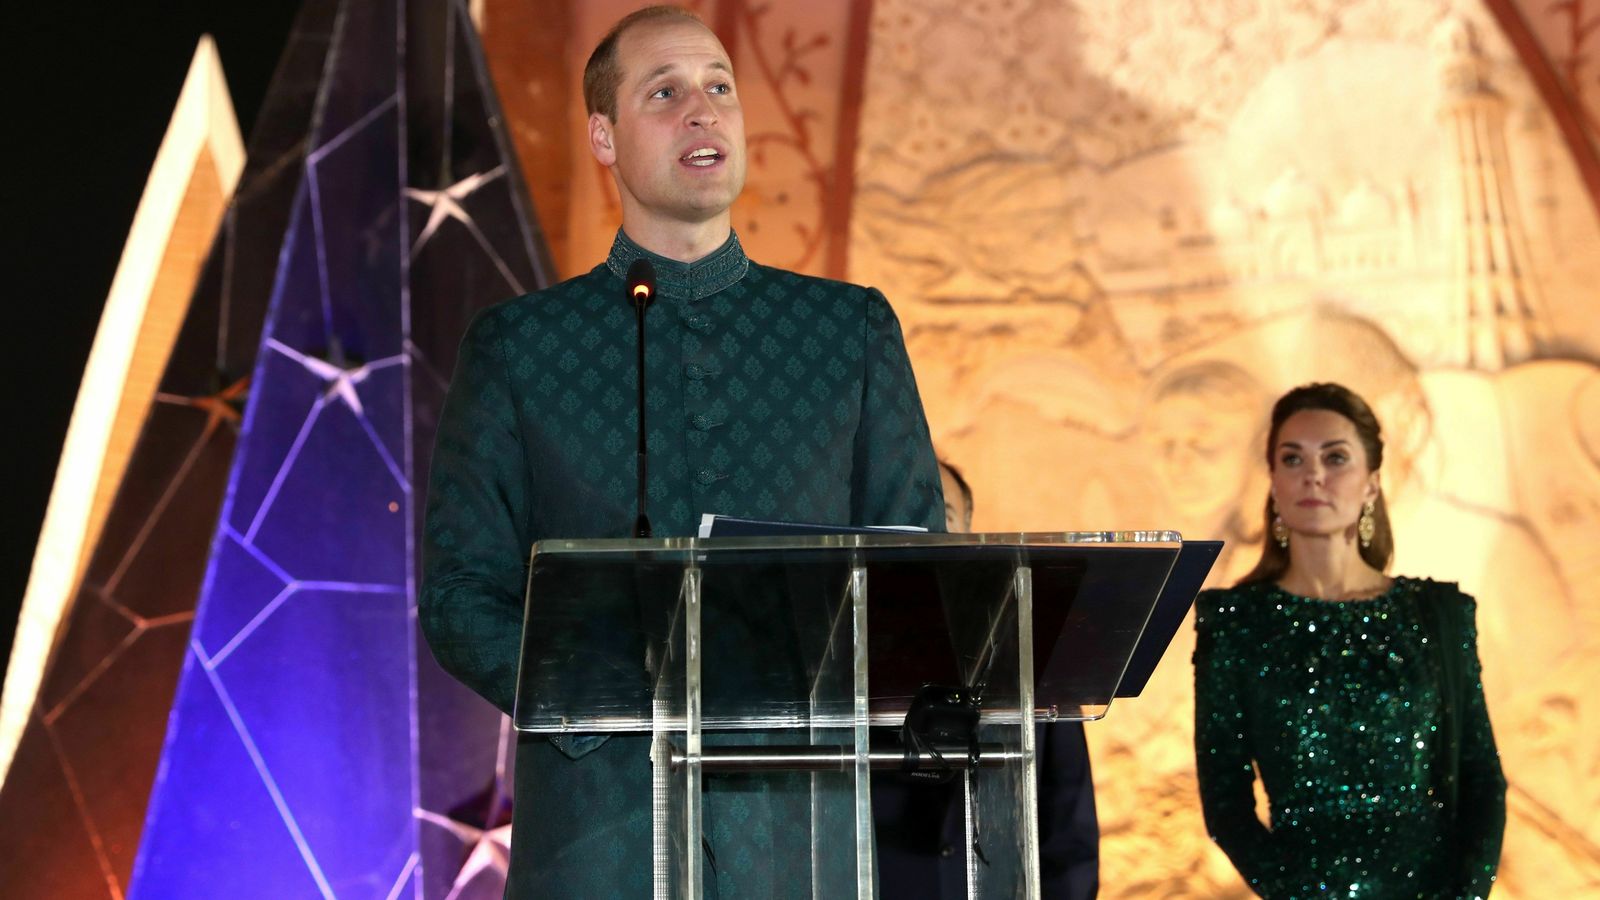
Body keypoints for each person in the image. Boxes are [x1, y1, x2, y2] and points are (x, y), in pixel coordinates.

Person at [419, 6, 944, 897]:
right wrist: (598, 701)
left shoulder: (848, 331)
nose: (702, 111)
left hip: (799, 838)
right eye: (664, 93)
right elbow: (460, 593)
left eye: (719, 88)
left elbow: (913, 574)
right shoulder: (520, 347)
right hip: (595, 836)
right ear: (604, 136)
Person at [1192, 383, 1506, 899]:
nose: (1313, 474)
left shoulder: (1437, 617)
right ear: (1273, 481)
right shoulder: (1235, 625)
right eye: (1292, 459)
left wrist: (1466, 893)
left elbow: (1482, 777)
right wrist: (1296, 891)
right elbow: (1225, 801)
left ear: (1371, 484)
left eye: (1335, 457)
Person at [874, 459, 1100, 899]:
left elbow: (1068, 827)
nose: (926, 531)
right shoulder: (832, 656)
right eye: (910, 515)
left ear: (969, 535)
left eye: (943, 516)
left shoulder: (1029, 651)